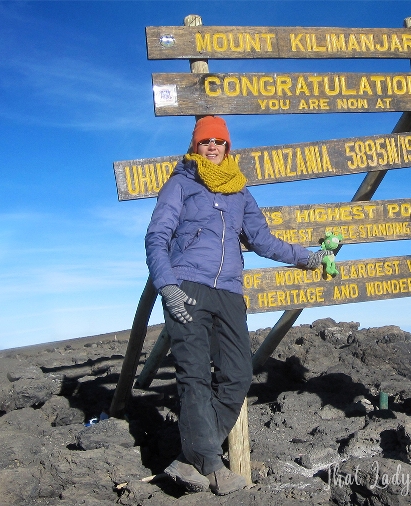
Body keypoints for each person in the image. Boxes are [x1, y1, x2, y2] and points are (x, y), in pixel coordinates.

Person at [145, 116, 329, 495]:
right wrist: (168, 286)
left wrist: (304, 258)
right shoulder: (180, 184)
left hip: (229, 292)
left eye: (219, 141)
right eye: (205, 141)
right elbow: (156, 237)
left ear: (229, 148)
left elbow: (262, 240)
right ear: (194, 146)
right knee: (194, 375)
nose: (212, 147)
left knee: (239, 374)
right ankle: (212, 465)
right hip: (187, 287)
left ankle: (187, 459)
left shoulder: (240, 191)